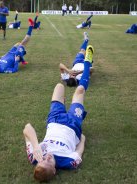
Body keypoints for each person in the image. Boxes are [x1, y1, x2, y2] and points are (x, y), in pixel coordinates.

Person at [23, 44, 94, 182]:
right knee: (80, 90)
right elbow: (80, 149)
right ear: (54, 170)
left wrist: (36, 145)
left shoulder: (35, 156)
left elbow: (27, 128)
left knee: (59, 86)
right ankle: (87, 62)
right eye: (48, 162)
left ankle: (65, 96)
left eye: (42, 161)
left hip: (54, 120)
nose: (46, 157)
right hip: (73, 125)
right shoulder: (69, 162)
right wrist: (82, 138)